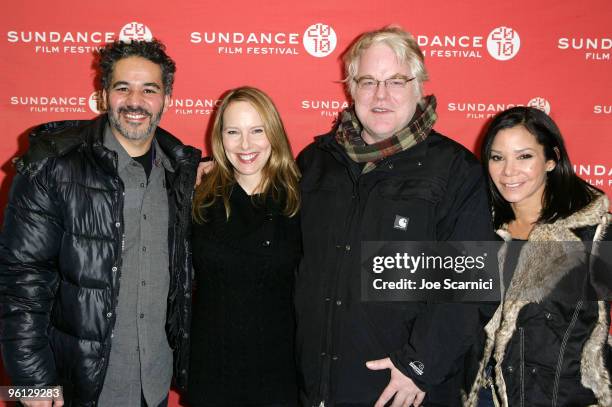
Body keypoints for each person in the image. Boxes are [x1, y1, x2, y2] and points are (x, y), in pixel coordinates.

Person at [295, 26, 494, 407]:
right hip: (319, 388)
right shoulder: (316, 163)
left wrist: (419, 365)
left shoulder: (455, 170)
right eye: (368, 81)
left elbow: (471, 288)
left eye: (396, 81)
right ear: (351, 87)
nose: (381, 95)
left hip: (403, 390)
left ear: (418, 86)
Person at [0, 39, 201, 407]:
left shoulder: (180, 173)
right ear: (104, 94)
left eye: (149, 89)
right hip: (75, 388)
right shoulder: (51, 166)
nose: (135, 101)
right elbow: (20, 279)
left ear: (167, 100)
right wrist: (30, 383)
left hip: (152, 385)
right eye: (122, 87)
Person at [465, 106, 611, 406]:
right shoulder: (479, 230)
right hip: (483, 398)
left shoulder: (592, 233)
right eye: (497, 157)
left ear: (551, 160)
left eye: (524, 156)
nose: (508, 171)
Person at [187, 87, 301, 406]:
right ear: (220, 138)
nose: (245, 144)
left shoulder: (301, 199)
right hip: (212, 373)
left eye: (257, 131)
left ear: (274, 134)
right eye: (233, 132)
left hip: (281, 375)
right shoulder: (197, 197)